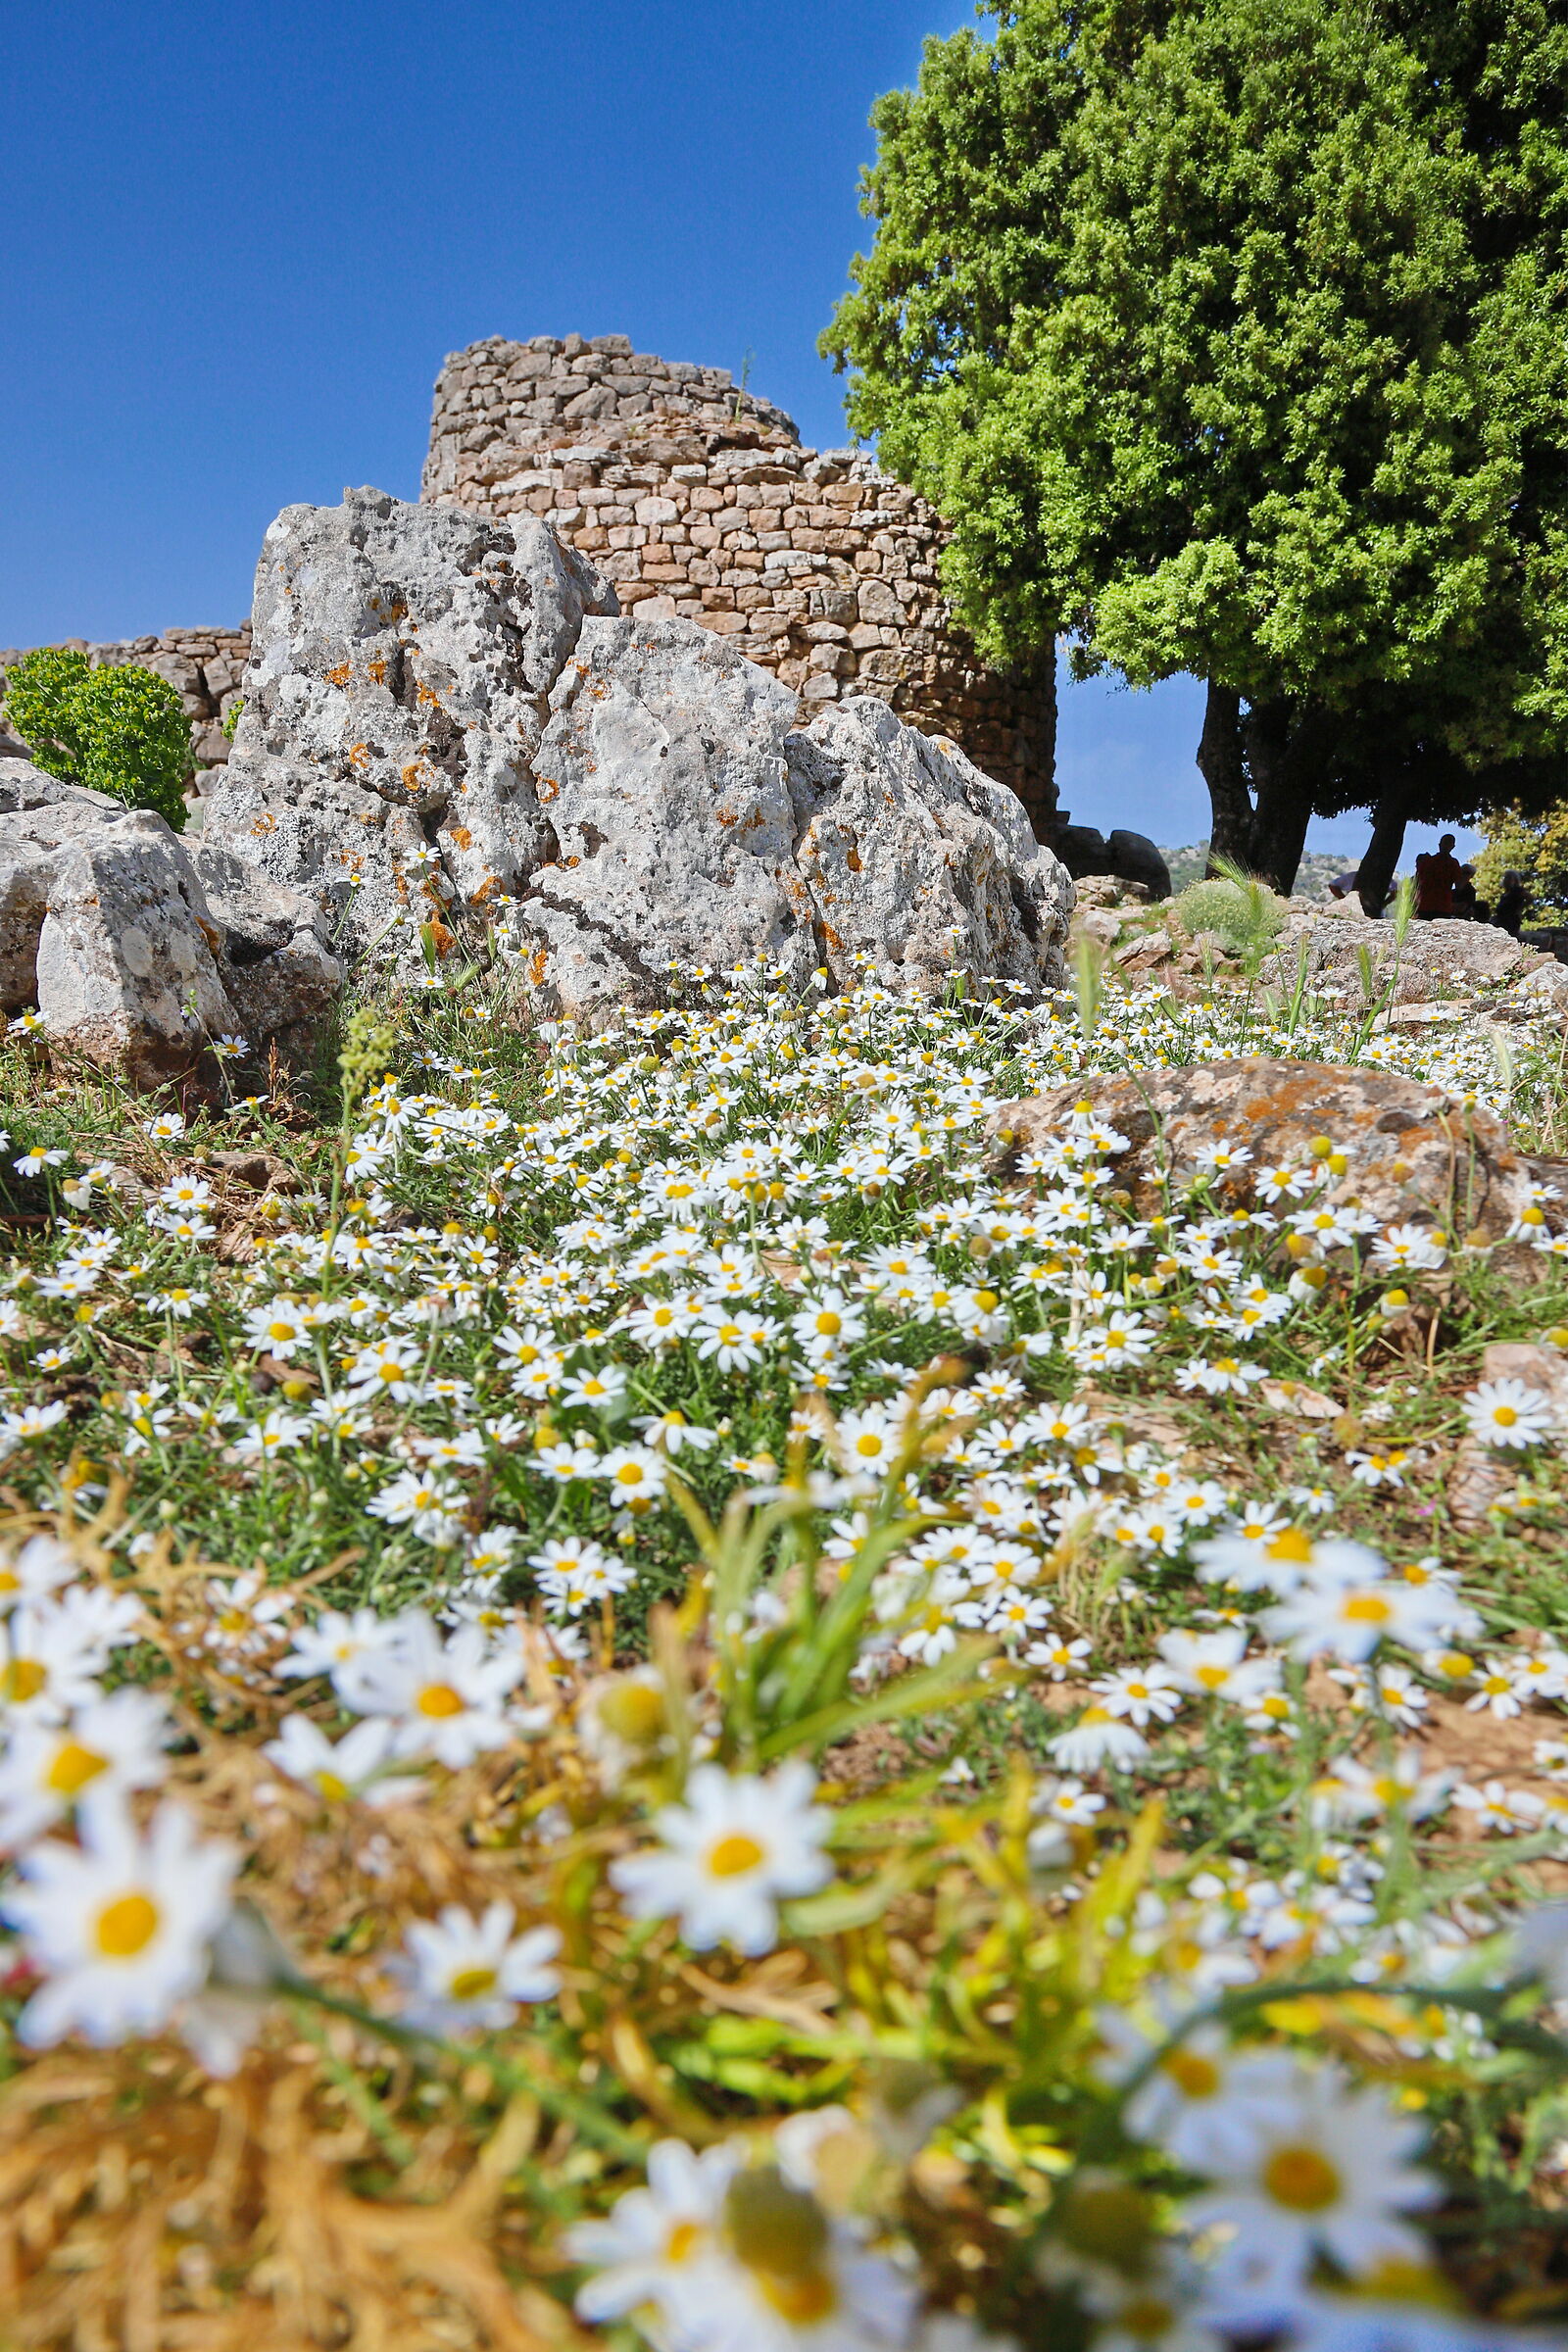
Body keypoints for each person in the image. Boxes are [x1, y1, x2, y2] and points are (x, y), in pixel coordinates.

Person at [1413, 834, 1465, 917]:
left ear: (1439, 844)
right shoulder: (1453, 864)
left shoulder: (1427, 862)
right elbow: (1459, 885)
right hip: (1443, 906)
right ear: (1452, 847)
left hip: (1425, 904)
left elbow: (1417, 882)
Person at [1494, 869, 1528, 938]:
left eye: (1509, 878)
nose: (1506, 880)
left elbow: (1530, 897)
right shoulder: (1504, 895)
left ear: (1515, 880)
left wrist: (1520, 908)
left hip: (1511, 922)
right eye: (1505, 877)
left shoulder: (1517, 891)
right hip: (1501, 921)